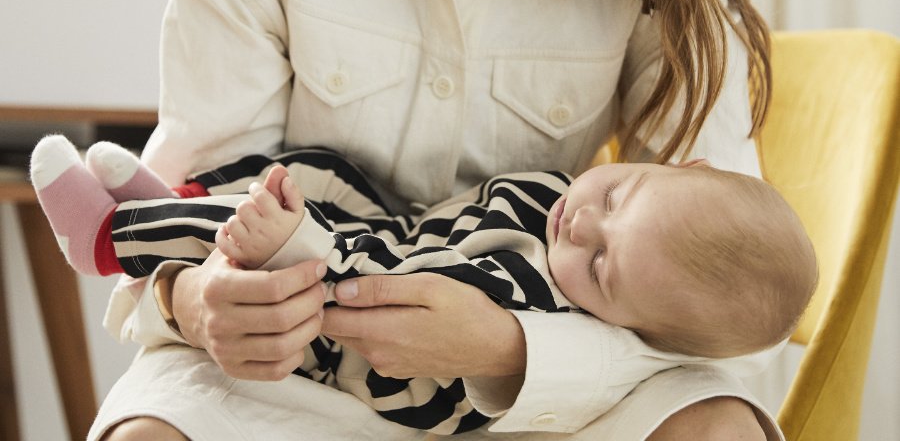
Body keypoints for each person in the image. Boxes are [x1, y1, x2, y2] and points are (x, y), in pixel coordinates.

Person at [85, 0, 784, 439]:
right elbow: (185, 210)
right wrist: (190, 297)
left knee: (721, 427)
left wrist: (513, 350)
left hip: (548, 382)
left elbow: (732, 309)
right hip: (293, 379)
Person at [31, 136, 816, 435]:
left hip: (357, 335)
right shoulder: (559, 199)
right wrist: (184, 300)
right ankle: (175, 202)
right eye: (614, 200)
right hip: (373, 233)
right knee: (312, 171)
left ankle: (108, 238)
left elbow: (368, 293)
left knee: (274, 231)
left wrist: (294, 243)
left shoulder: (535, 283)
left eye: (603, 267)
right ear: (687, 165)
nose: (581, 228)